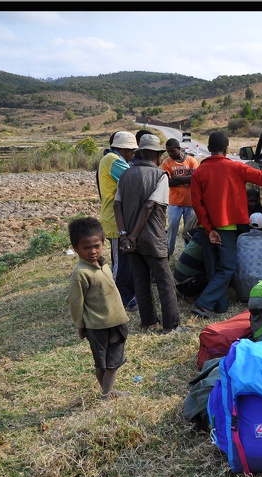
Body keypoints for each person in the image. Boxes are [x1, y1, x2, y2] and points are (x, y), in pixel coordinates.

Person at [190, 131, 262, 319]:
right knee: (227, 267)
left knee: (212, 267)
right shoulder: (236, 168)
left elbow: (197, 204)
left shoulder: (198, 172)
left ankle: (220, 306)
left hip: (205, 228)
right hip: (225, 229)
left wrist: (209, 229)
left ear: (208, 149)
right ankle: (203, 304)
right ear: (226, 149)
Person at [113, 134, 189, 335]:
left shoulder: (125, 175)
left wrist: (125, 235)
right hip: (152, 238)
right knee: (165, 282)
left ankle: (149, 322)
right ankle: (171, 325)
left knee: (140, 281)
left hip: (129, 238)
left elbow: (117, 205)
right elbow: (149, 206)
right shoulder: (160, 176)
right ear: (156, 155)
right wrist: (135, 235)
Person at [66, 216, 130, 401]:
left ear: (103, 243)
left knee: (112, 362)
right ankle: (105, 395)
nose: (93, 251)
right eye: (86, 247)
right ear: (76, 248)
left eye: (97, 245)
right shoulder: (80, 273)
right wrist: (81, 325)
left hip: (116, 320)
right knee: (103, 364)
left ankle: (107, 392)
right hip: (97, 326)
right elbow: (75, 302)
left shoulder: (104, 265)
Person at [97, 130, 138, 311]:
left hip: (121, 217)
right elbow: (134, 180)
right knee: (120, 266)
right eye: (132, 150)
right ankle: (115, 303)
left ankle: (129, 299)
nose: (133, 154)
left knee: (127, 263)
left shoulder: (115, 159)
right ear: (124, 148)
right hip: (115, 220)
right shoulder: (113, 161)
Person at [161, 138, 199, 257]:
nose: (170, 154)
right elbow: (167, 182)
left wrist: (177, 178)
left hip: (190, 203)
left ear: (178, 148)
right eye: (168, 151)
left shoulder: (192, 161)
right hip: (174, 202)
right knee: (172, 230)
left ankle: (189, 256)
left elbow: (195, 179)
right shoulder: (166, 163)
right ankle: (168, 255)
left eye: (172, 151)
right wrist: (186, 177)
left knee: (189, 231)